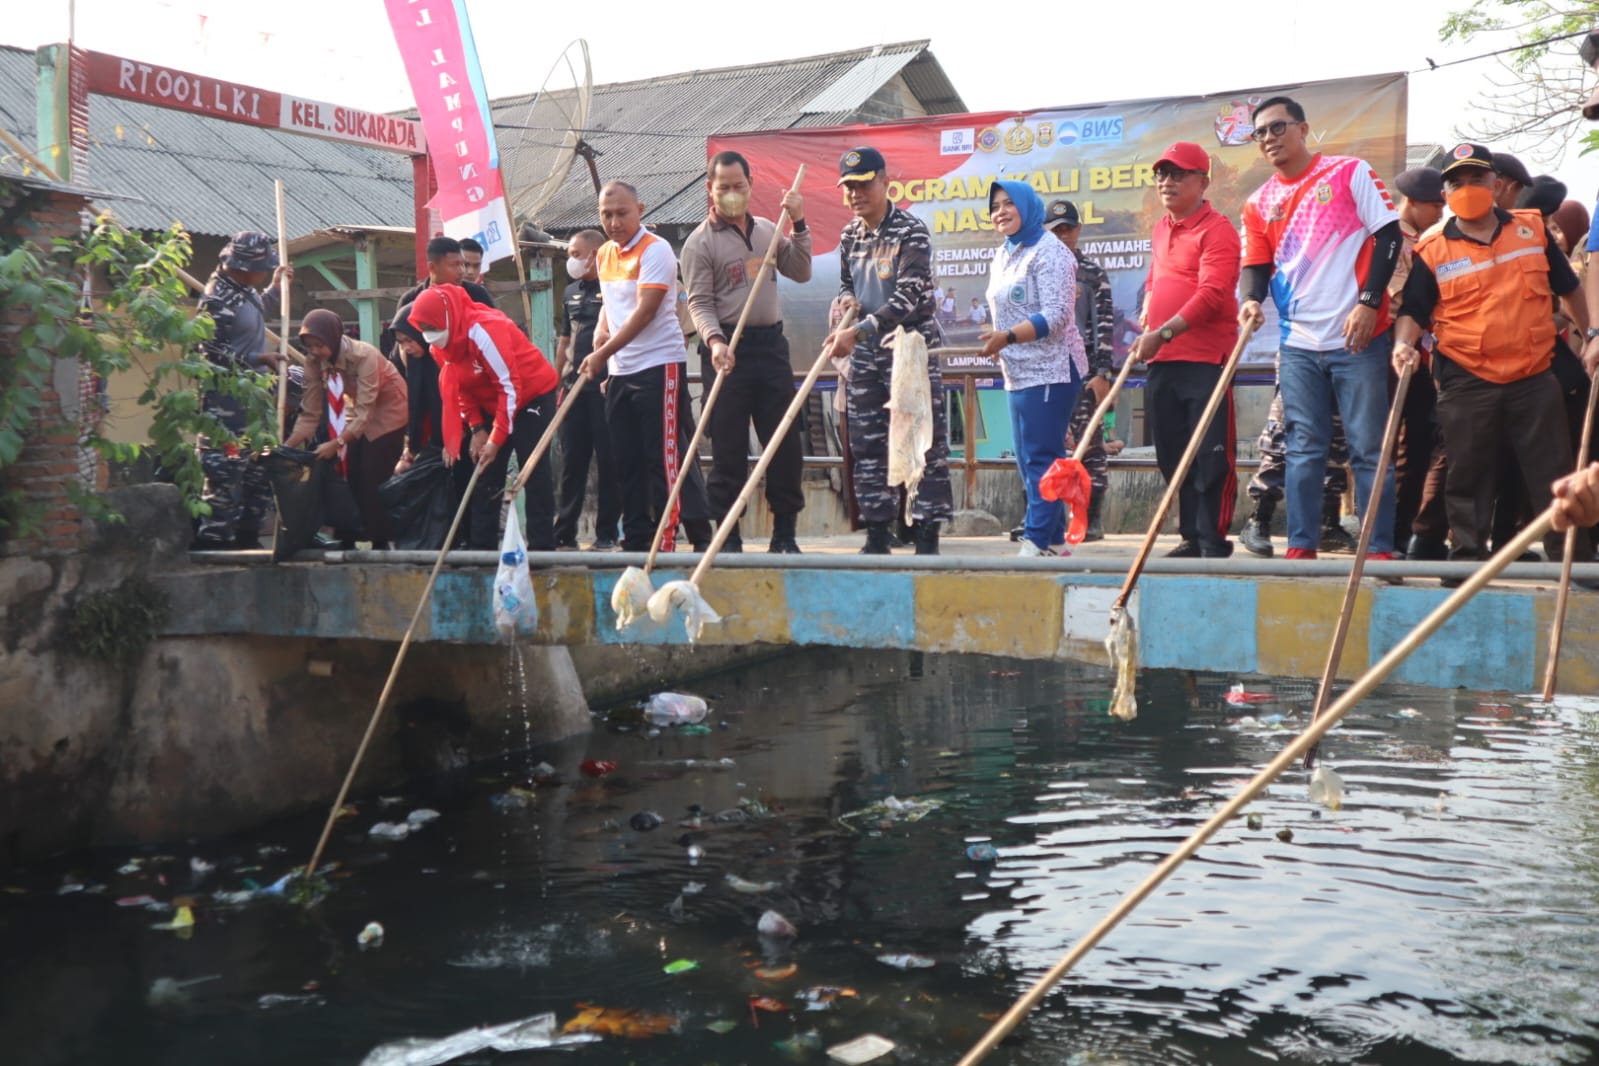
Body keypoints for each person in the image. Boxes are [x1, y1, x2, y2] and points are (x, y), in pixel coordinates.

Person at [1393, 143, 1589, 577]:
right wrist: (1402, 345)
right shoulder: (1433, 248)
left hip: (1535, 374)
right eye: (1456, 183)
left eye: (1476, 179)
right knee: (1467, 477)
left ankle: (1572, 562)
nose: (1467, 189)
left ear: (1496, 184)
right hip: (1468, 377)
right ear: (1445, 194)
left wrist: (1591, 334)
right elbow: (1414, 311)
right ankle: (1465, 562)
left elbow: (1569, 287)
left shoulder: (1531, 230)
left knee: (1554, 474)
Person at [1240, 96, 1403, 561]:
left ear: (1303, 128)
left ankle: (1380, 549)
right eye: (1261, 133)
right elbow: (1255, 264)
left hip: (1358, 340)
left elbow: (1388, 234)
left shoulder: (1349, 172)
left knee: (1369, 447)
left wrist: (1370, 302)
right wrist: (1250, 301)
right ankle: (1301, 546)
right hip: (1298, 345)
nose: (1269, 139)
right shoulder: (1259, 202)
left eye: (1277, 128)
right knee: (1304, 448)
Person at [820, 146, 954, 555]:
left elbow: (908, 297)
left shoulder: (910, 231)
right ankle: (878, 531)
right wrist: (847, 303)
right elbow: (847, 283)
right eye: (848, 188)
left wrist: (859, 330)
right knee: (867, 442)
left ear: (884, 182)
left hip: (909, 349)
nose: (856, 194)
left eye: (863, 185)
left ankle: (927, 533)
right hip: (866, 352)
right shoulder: (850, 235)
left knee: (922, 440)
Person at [680, 149, 812, 554]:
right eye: (724, 188)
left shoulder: (768, 231)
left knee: (784, 442)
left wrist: (800, 222)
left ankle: (784, 534)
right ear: (710, 190)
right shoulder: (699, 243)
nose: (732, 194)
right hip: (727, 351)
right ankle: (729, 536)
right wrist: (715, 341)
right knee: (728, 447)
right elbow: (699, 302)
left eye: (739, 186)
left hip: (770, 348)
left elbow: (801, 271)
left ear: (751, 187)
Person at [577, 181, 714, 553]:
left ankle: (666, 538)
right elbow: (612, 304)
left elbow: (645, 312)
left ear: (641, 209)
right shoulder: (604, 253)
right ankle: (636, 538)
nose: (614, 221)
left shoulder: (657, 251)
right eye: (606, 214)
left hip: (659, 366)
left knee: (664, 458)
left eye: (622, 213)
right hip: (621, 371)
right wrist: (600, 335)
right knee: (625, 459)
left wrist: (603, 355)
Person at [1128, 142, 1242, 558]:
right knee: (1171, 453)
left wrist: (1166, 331)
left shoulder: (1218, 229)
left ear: (1202, 182)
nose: (1167, 182)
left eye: (1178, 174)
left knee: (1211, 455)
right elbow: (1158, 276)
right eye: (1162, 174)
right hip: (1162, 360)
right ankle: (1191, 535)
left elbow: (1213, 294)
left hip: (1205, 360)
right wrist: (1148, 304)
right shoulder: (1161, 227)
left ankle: (1213, 538)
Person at [407, 283, 559, 551]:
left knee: (532, 469)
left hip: (530, 395)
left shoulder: (483, 331)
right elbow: (460, 390)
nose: (430, 335)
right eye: (425, 330)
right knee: (485, 471)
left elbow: (509, 387)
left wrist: (497, 439)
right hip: (490, 402)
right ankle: (482, 549)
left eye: (433, 327)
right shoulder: (439, 347)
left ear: (448, 317)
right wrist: (477, 429)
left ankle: (542, 547)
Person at [977, 180, 1084, 557]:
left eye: (1009, 203)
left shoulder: (1050, 252)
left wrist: (1007, 336)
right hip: (1018, 371)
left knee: (1042, 457)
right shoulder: (1005, 253)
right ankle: (1054, 539)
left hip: (1052, 369)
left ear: (1027, 205)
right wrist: (1001, 341)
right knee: (1026, 460)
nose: (1001, 211)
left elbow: (1056, 315)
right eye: (995, 206)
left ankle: (1036, 541)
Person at [192, 230, 293, 549]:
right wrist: (257, 358)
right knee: (227, 469)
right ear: (242, 266)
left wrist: (276, 289)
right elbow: (209, 353)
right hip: (226, 411)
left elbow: (254, 311)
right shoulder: (217, 298)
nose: (264, 272)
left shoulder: (243, 290)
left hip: (252, 406)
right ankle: (216, 543)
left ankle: (248, 538)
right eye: (263, 268)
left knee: (256, 466)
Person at [284, 309, 409, 548]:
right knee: (348, 472)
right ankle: (349, 536)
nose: (315, 352)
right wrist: (289, 446)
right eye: (309, 346)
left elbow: (367, 411)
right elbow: (311, 412)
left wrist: (337, 443)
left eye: (319, 345)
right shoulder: (314, 362)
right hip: (358, 411)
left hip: (389, 411)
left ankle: (380, 541)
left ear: (333, 337)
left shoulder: (364, 355)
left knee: (372, 474)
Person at [1387, 166, 1448, 560]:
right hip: (1392, 351)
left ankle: (1406, 532)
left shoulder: (1425, 238)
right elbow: (1398, 301)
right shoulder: (1392, 237)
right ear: (1413, 203)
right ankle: (1391, 534)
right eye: (1435, 206)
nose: (1441, 214)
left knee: (1419, 443)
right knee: (1399, 445)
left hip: (1420, 352)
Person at [1046, 199, 1115, 541]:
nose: (1062, 236)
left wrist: (1102, 373)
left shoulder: (1091, 273)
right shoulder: (1038, 268)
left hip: (1083, 371)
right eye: (1054, 230)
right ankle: (1046, 517)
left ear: (1077, 230)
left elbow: (1104, 326)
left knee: (1090, 444)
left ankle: (1092, 517)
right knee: (1045, 444)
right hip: (1045, 371)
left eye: (1067, 229)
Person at [552, 229, 621, 551]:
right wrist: (556, 379)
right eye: (570, 254)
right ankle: (564, 533)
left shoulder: (614, 288)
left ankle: (606, 534)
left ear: (595, 254)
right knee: (572, 462)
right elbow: (565, 338)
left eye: (577, 254)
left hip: (605, 387)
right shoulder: (570, 292)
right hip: (573, 387)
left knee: (609, 461)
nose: (572, 260)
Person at [391, 302, 472, 540]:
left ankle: (467, 541)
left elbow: (457, 396)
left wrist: (453, 437)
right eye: (401, 343)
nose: (406, 347)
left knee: (463, 486)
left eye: (409, 340)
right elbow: (417, 405)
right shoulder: (412, 361)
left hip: (461, 432)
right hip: (433, 439)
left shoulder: (442, 356)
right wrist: (410, 447)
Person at [381, 236, 496, 362]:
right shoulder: (410, 301)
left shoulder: (477, 295)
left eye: (462, 264)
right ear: (432, 267)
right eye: (455, 265)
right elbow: (402, 347)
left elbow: (494, 337)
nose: (463, 271)